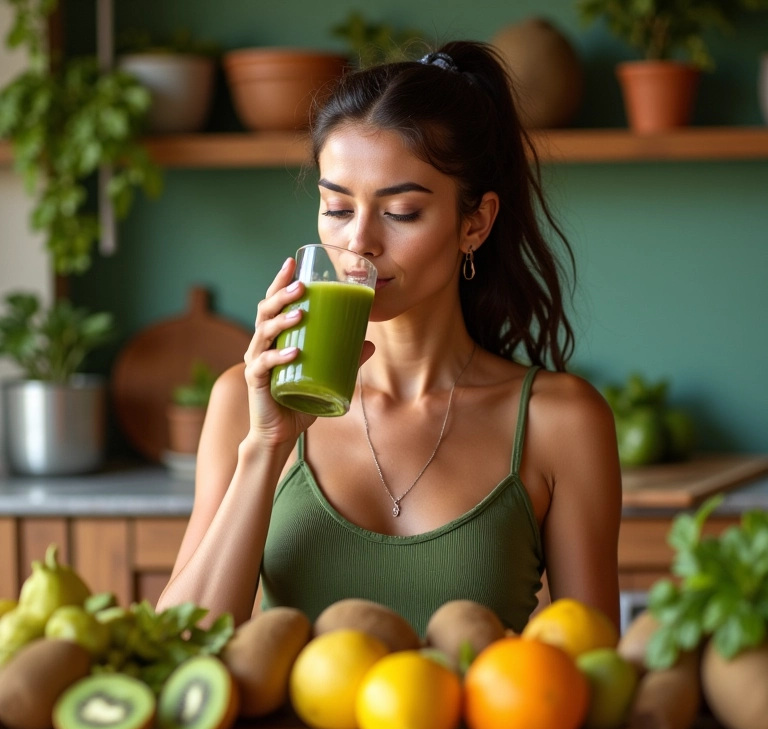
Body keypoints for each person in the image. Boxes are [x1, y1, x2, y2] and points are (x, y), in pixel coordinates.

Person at [157, 40, 622, 636]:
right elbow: (176, 648)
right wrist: (267, 447)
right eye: (336, 208)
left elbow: (593, 663)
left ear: (474, 223)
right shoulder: (244, 404)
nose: (360, 243)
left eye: (400, 212)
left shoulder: (562, 421)